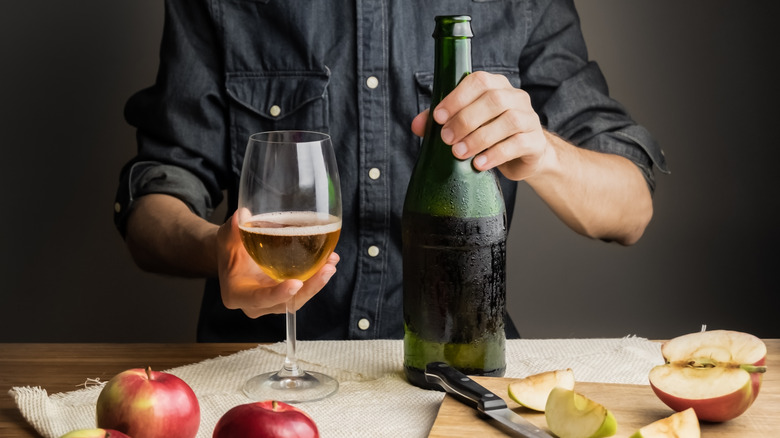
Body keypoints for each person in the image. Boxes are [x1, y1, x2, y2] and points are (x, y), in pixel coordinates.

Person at [114, 0, 668, 342]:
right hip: (258, 375)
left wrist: (544, 152)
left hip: (454, 373)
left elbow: (630, 211)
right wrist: (216, 247)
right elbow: (155, 198)